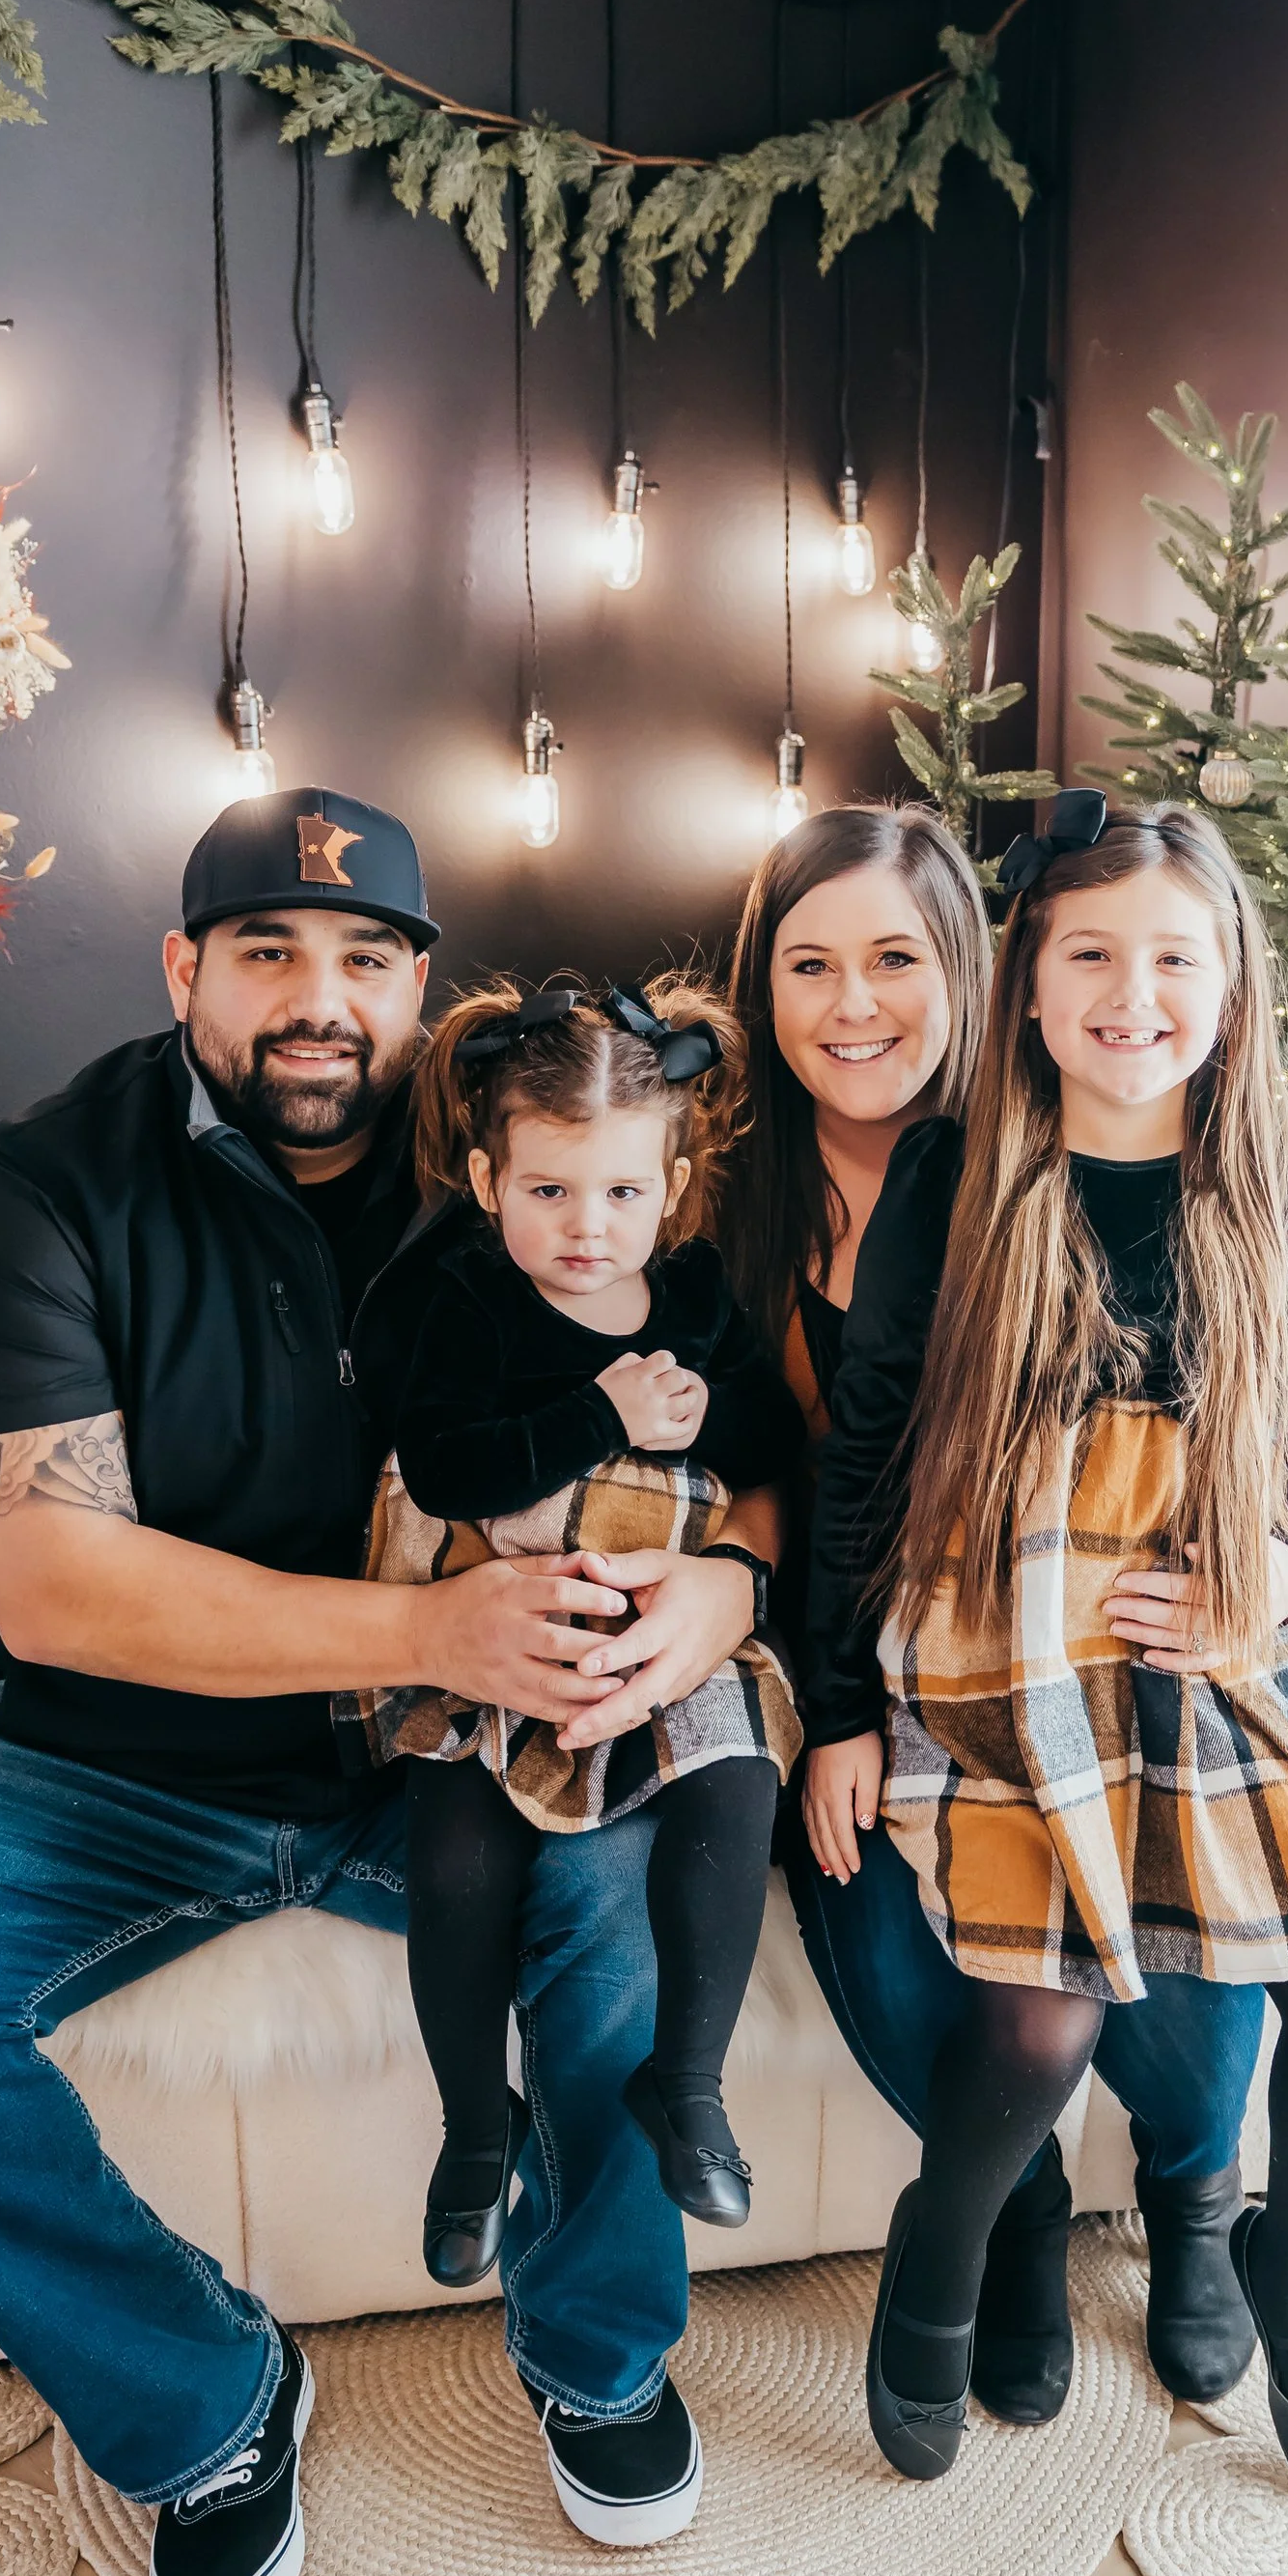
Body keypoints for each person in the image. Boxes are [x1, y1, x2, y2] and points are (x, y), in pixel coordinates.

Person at [0, 790, 774, 2576]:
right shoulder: (40, 1188)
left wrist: (732, 1582)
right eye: (268, 951)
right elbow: (58, 1582)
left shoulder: (518, 1165)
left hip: (424, 1759)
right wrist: (435, 1624)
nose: (320, 1000)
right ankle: (208, 2405)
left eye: (366, 958)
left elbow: (744, 1420)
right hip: (92, 1761)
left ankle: (600, 2353)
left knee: (609, 1921)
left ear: (420, 986)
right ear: (181, 969)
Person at [802, 796, 1288, 2493]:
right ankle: (946, 2248)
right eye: (1090, 952)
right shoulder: (959, 1172)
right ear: (1028, 983)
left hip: (1227, 1643)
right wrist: (841, 1705)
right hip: (1004, 1649)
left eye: (1174, 956)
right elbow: (863, 1449)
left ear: (1231, 982)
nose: (1132, 993)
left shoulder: (1283, 1179)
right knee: (1040, 2024)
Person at [719, 804, 1288, 2422]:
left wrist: (1266, 1582)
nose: (854, 1004)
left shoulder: (1040, 1156)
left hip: (1055, 1639)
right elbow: (739, 1472)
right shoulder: (715, 1195)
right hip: (833, 1646)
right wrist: (832, 1706)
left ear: (982, 978)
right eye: (811, 964)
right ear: (766, 992)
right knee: (901, 1952)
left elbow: (1257, 1417)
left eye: (896, 958)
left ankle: (1197, 2194)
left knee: (1171, 1939)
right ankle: (1019, 2206)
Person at [354, 974, 800, 2332]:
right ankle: (472, 2122)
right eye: (547, 1192)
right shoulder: (470, 1302)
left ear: (671, 1185)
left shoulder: (699, 1295)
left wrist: (700, 1408)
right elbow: (441, 1463)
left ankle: (693, 2084)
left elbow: (773, 1451)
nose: (584, 1229)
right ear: (490, 1182)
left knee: (734, 1786)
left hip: (657, 1629)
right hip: (496, 1625)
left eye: (618, 1194)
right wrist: (600, 1411)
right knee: (458, 1848)